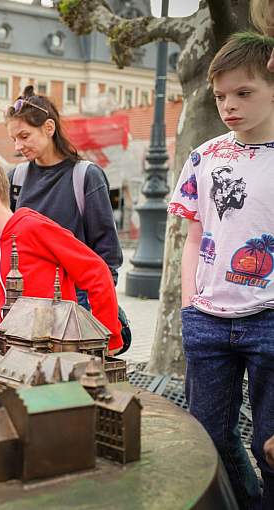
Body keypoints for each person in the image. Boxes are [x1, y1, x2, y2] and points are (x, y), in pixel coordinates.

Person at [168, 32, 274, 509]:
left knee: (270, 444)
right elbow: (193, 237)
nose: (229, 105)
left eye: (244, 92)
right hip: (207, 320)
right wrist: (189, 306)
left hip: (269, 318)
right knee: (208, 438)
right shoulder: (205, 157)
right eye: (220, 96)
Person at [0, 155, 122, 352]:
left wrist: (109, 340)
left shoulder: (32, 227)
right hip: (20, 348)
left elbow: (97, 272)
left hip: (52, 348)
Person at [5, 85, 123, 307]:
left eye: (24, 136)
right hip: (26, 297)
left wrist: (96, 302)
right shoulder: (16, 179)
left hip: (75, 299)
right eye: (14, 139)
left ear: (49, 127)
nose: (18, 146)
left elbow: (107, 250)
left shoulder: (86, 176)